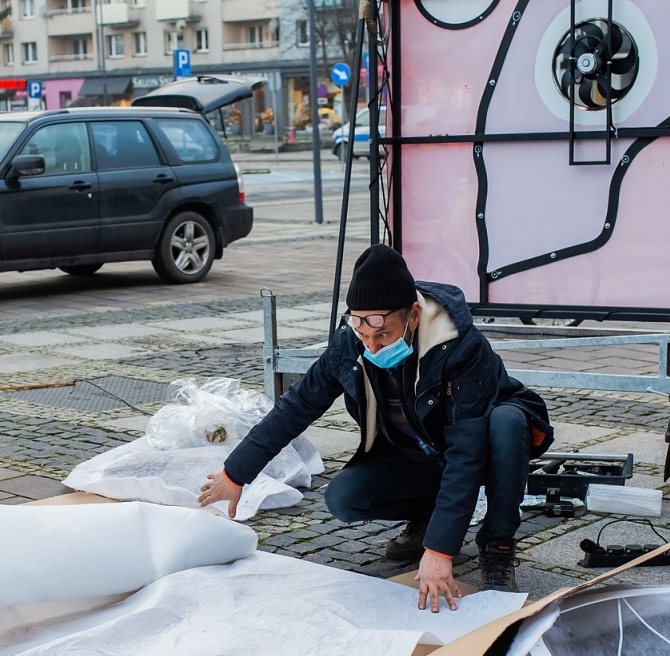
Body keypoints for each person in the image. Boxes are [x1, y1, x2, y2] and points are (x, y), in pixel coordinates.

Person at [199, 245, 553, 611]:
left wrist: (440, 550)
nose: (371, 346)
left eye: (382, 335)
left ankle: (497, 547)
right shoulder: (350, 343)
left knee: (507, 422)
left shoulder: (461, 348)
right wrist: (235, 474)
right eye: (363, 334)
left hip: (481, 444)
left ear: (414, 315)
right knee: (345, 498)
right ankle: (428, 514)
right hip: (418, 449)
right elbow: (296, 407)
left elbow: (466, 453)